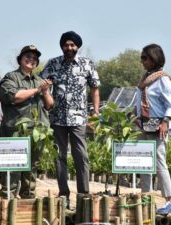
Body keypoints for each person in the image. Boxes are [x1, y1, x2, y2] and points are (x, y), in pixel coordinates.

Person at [40, 31, 100, 208]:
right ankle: (63, 194)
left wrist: (95, 112)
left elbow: (95, 88)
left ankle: (83, 195)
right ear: (62, 47)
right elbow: (40, 84)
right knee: (59, 157)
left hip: (79, 118)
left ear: (78, 46)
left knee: (81, 156)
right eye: (66, 45)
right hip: (57, 118)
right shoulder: (52, 64)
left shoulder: (87, 64)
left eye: (72, 45)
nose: (69, 48)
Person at [0, 45, 54, 199]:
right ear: (20, 59)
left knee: (32, 166)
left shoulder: (39, 80)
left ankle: (28, 196)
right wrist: (37, 90)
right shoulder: (11, 77)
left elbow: (49, 105)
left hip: (37, 132)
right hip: (15, 130)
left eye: (35, 58)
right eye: (28, 57)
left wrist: (45, 91)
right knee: (12, 166)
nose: (32, 60)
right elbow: (14, 97)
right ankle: (7, 198)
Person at [135, 43, 171, 214]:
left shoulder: (162, 79)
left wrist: (166, 122)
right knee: (144, 163)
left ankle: (170, 200)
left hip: (159, 125)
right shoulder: (145, 78)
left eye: (144, 58)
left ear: (154, 58)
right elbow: (140, 102)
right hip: (144, 124)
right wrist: (136, 116)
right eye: (142, 58)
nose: (142, 61)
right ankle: (146, 198)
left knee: (159, 162)